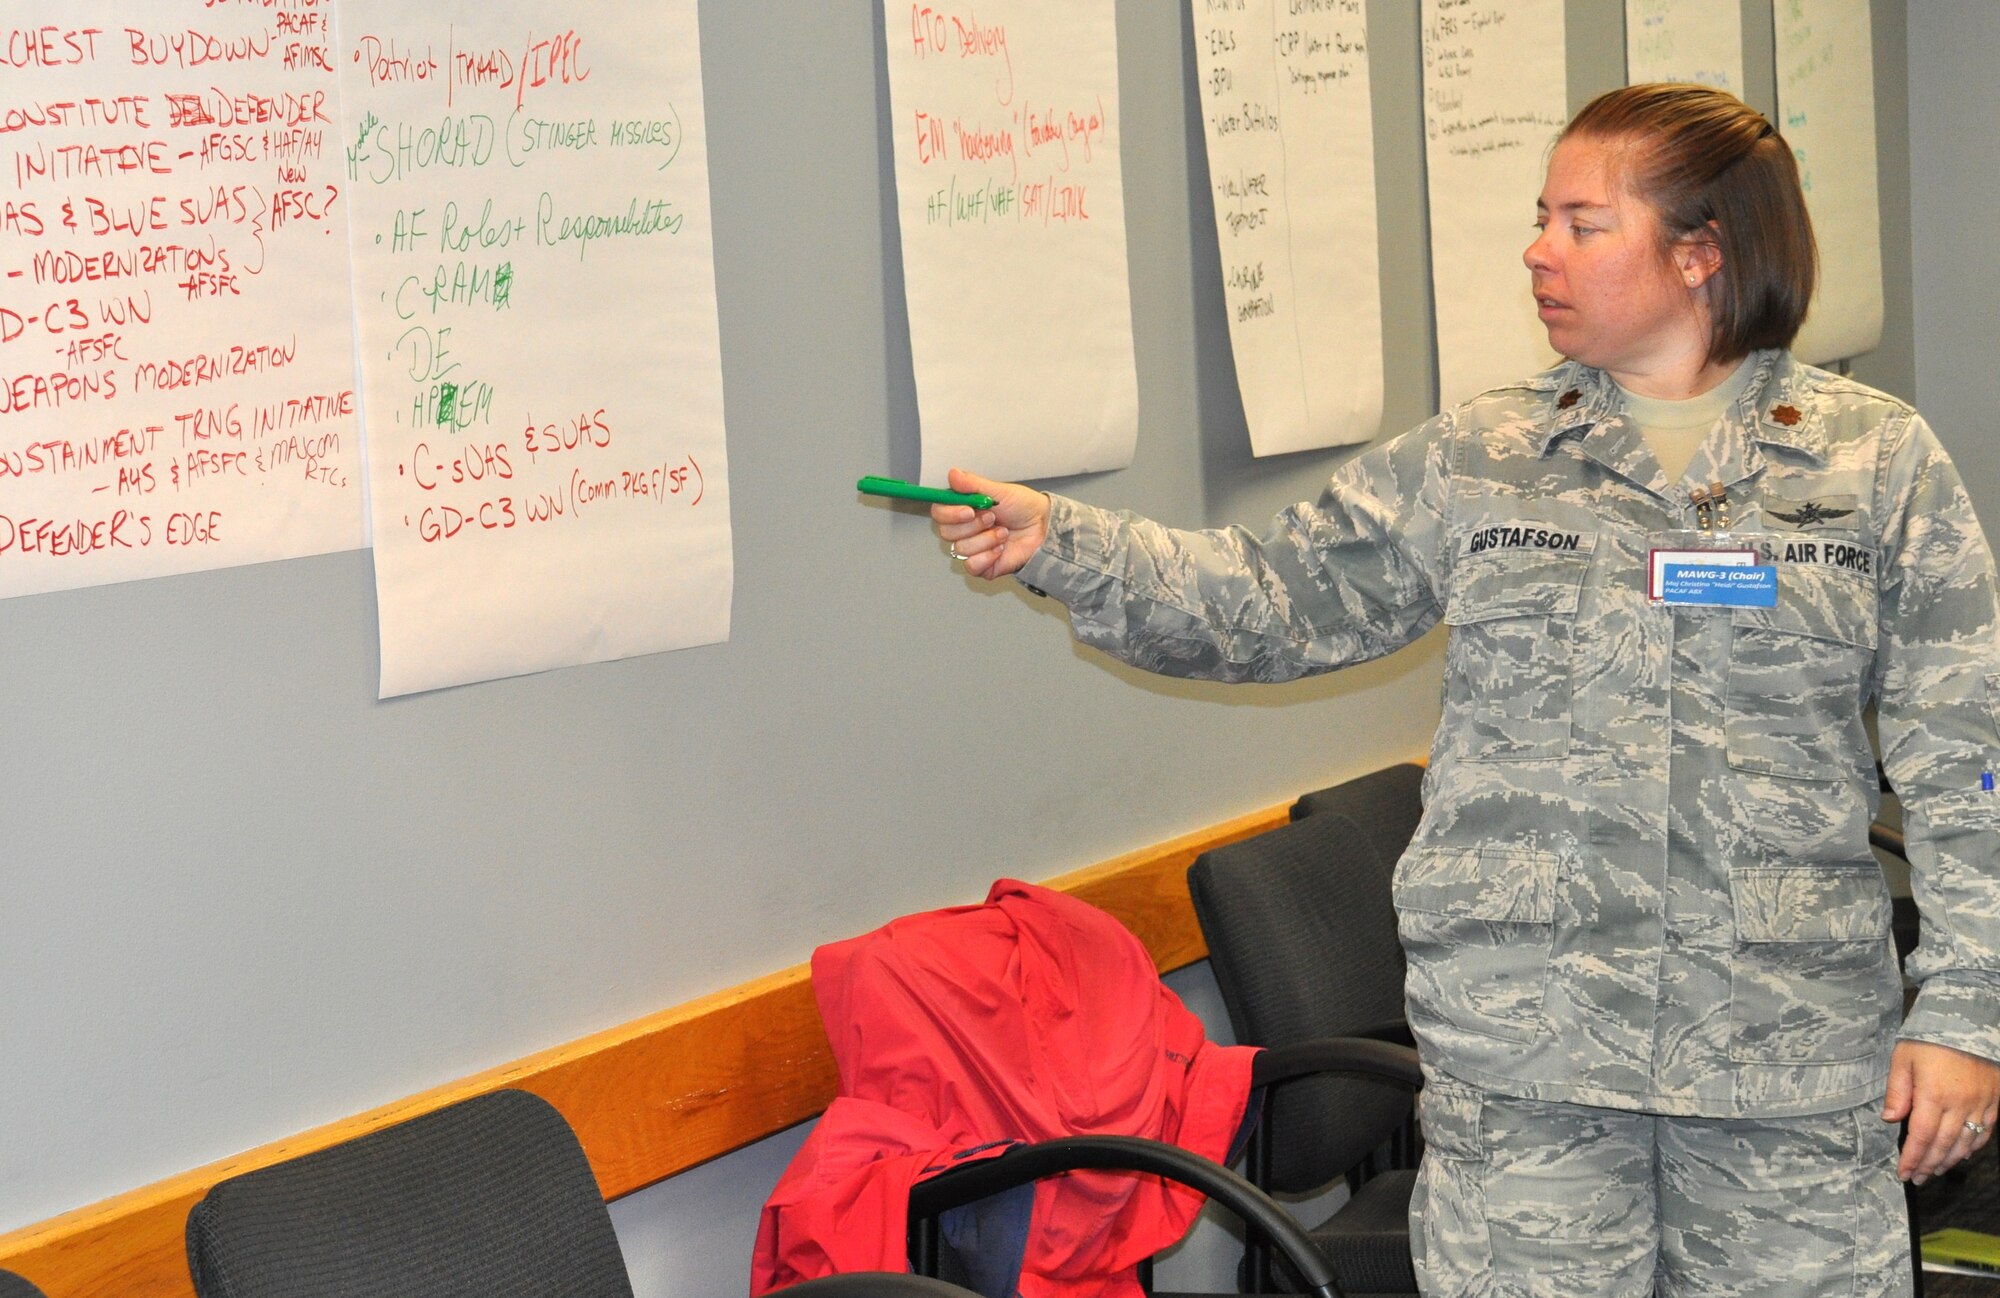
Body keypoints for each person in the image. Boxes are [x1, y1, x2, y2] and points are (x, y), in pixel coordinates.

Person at [929, 84, 2000, 1297]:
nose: (1538, 251)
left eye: (1583, 224)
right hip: (1526, 1071)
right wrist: (1059, 540)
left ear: (1699, 253)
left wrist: (1965, 1010)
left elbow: (1972, 757)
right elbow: (1269, 598)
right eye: (1540, 216)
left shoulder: (1872, 464)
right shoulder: (1482, 458)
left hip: (1781, 1075)